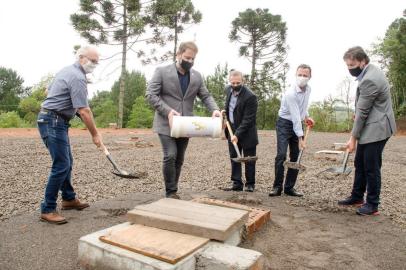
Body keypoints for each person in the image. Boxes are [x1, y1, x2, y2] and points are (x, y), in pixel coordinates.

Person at [146, 41, 221, 199]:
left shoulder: (196, 76)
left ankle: (174, 189)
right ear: (178, 55)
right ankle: (170, 192)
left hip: (186, 125)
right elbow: (151, 95)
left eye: (193, 59)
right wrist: (167, 111)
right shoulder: (162, 71)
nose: (190, 62)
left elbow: (206, 96)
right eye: (187, 58)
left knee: (179, 158)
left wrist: (214, 109)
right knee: (170, 155)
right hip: (166, 123)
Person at [37, 46, 103, 224]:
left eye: (97, 61)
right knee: (61, 164)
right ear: (81, 58)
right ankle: (48, 208)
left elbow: (48, 91)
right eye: (93, 60)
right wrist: (95, 135)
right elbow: (84, 111)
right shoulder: (77, 77)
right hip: (53, 121)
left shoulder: (66, 71)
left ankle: (68, 199)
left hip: (55, 120)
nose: (95, 64)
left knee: (67, 162)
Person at [338, 46, 397, 216]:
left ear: (363, 61)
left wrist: (353, 138)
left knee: (371, 166)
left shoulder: (369, 79)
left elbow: (363, 112)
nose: (350, 68)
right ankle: (357, 197)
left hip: (378, 127)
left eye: (353, 65)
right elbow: (364, 107)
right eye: (347, 65)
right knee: (360, 163)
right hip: (372, 123)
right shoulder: (369, 71)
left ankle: (372, 204)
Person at [269, 64, 315, 197]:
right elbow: (295, 116)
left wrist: (307, 116)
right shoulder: (290, 94)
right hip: (284, 123)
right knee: (281, 155)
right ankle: (277, 187)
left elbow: (302, 107)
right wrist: (301, 139)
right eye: (299, 74)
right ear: (296, 75)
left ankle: (289, 188)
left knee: (295, 156)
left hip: (297, 123)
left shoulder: (308, 89)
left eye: (305, 75)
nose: (302, 77)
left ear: (310, 77)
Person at [222, 70, 258, 192]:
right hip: (231, 129)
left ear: (243, 81)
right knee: (234, 157)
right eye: (233, 83)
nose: (235, 85)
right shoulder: (228, 90)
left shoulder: (251, 96)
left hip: (247, 132)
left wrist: (237, 134)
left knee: (249, 158)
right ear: (229, 81)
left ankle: (250, 184)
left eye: (238, 83)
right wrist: (224, 111)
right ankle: (237, 183)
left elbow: (248, 119)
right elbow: (231, 108)